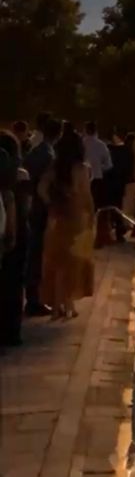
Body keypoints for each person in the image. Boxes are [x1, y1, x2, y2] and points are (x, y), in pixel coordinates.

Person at [39, 126, 95, 319]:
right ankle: (69, 305)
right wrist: (92, 216)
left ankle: (56, 307)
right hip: (76, 219)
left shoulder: (55, 167)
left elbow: (41, 188)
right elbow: (87, 196)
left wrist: (52, 204)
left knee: (57, 264)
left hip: (56, 218)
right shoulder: (82, 169)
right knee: (73, 264)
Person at [23, 116, 61, 314]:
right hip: (40, 211)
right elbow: (43, 187)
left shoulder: (35, 151)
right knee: (37, 255)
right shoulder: (48, 155)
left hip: (30, 208)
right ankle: (33, 300)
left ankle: (32, 297)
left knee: (32, 254)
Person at [0, 133, 30, 347]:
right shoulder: (20, 175)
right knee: (15, 282)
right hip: (20, 231)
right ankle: (12, 331)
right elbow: (26, 206)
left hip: (7, 233)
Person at [107, 130, 135, 240]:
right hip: (120, 182)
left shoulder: (110, 149)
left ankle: (114, 229)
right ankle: (119, 230)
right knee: (117, 207)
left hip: (109, 181)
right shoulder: (127, 151)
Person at [83, 121, 113, 212]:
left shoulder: (80, 144)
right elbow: (109, 165)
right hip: (97, 179)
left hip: (83, 179)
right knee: (96, 206)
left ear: (85, 130)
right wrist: (99, 168)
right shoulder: (101, 145)